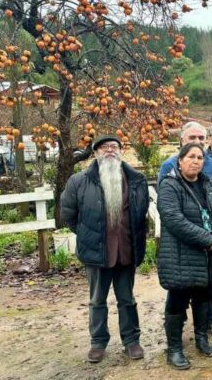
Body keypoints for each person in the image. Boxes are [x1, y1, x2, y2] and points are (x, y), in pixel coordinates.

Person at [60, 135, 149, 364]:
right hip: (97, 252)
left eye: (114, 147)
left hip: (126, 250)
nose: (109, 150)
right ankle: (98, 342)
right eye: (103, 147)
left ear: (121, 151)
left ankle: (131, 340)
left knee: (127, 299)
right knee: (97, 300)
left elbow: (141, 213)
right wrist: (89, 236)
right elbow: (68, 214)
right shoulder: (79, 181)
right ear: (96, 152)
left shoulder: (136, 179)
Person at [157, 143, 212, 369]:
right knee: (177, 302)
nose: (196, 161)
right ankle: (174, 349)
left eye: (200, 157)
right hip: (183, 254)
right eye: (191, 157)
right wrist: (208, 239)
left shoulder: (209, 183)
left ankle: (202, 338)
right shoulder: (170, 185)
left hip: (210, 254)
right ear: (179, 161)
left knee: (204, 297)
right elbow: (174, 219)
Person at [158, 121, 212, 335]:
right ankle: (175, 337)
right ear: (181, 141)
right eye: (192, 138)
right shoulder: (168, 167)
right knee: (180, 287)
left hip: (209, 237)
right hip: (184, 239)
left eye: (201, 139)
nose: (197, 143)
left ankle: (208, 323)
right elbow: (168, 207)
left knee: (208, 284)